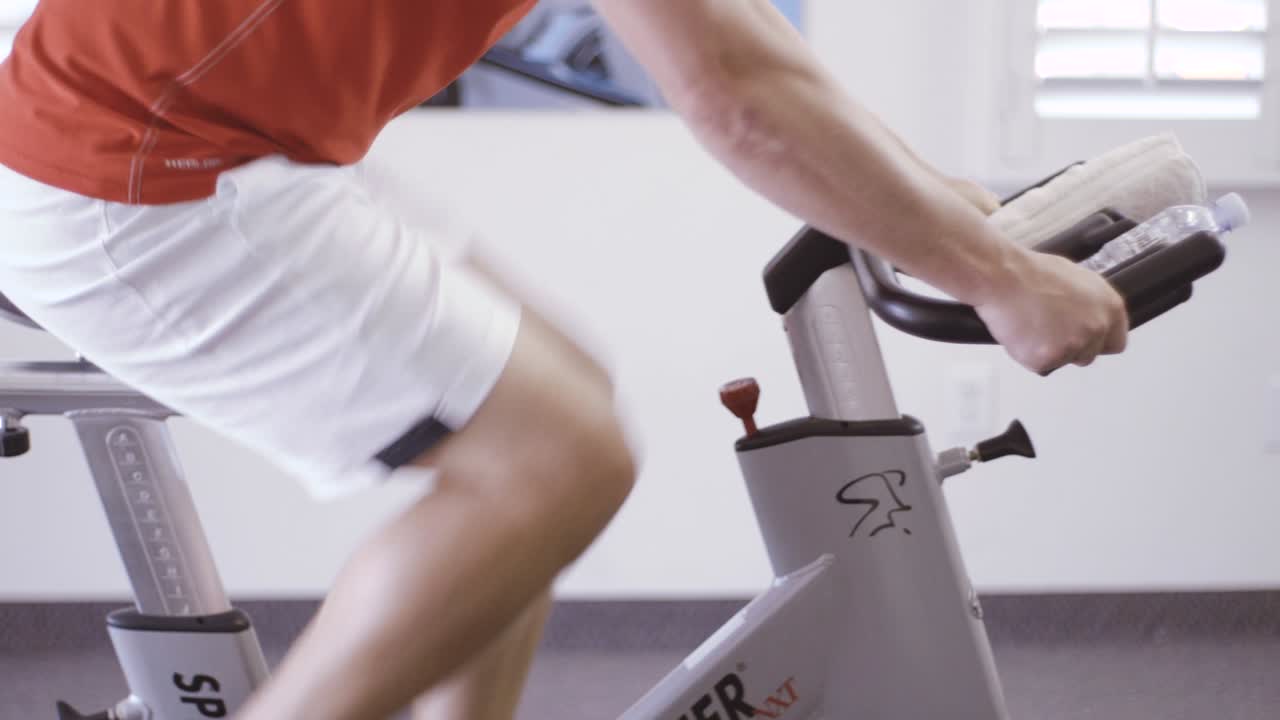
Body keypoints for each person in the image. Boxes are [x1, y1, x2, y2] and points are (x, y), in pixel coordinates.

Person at [0, 1, 1129, 718]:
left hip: (196, 144)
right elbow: (733, 95)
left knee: (561, 405)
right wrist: (995, 278)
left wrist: (939, 207)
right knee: (555, 462)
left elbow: (745, 44)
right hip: (135, 174)